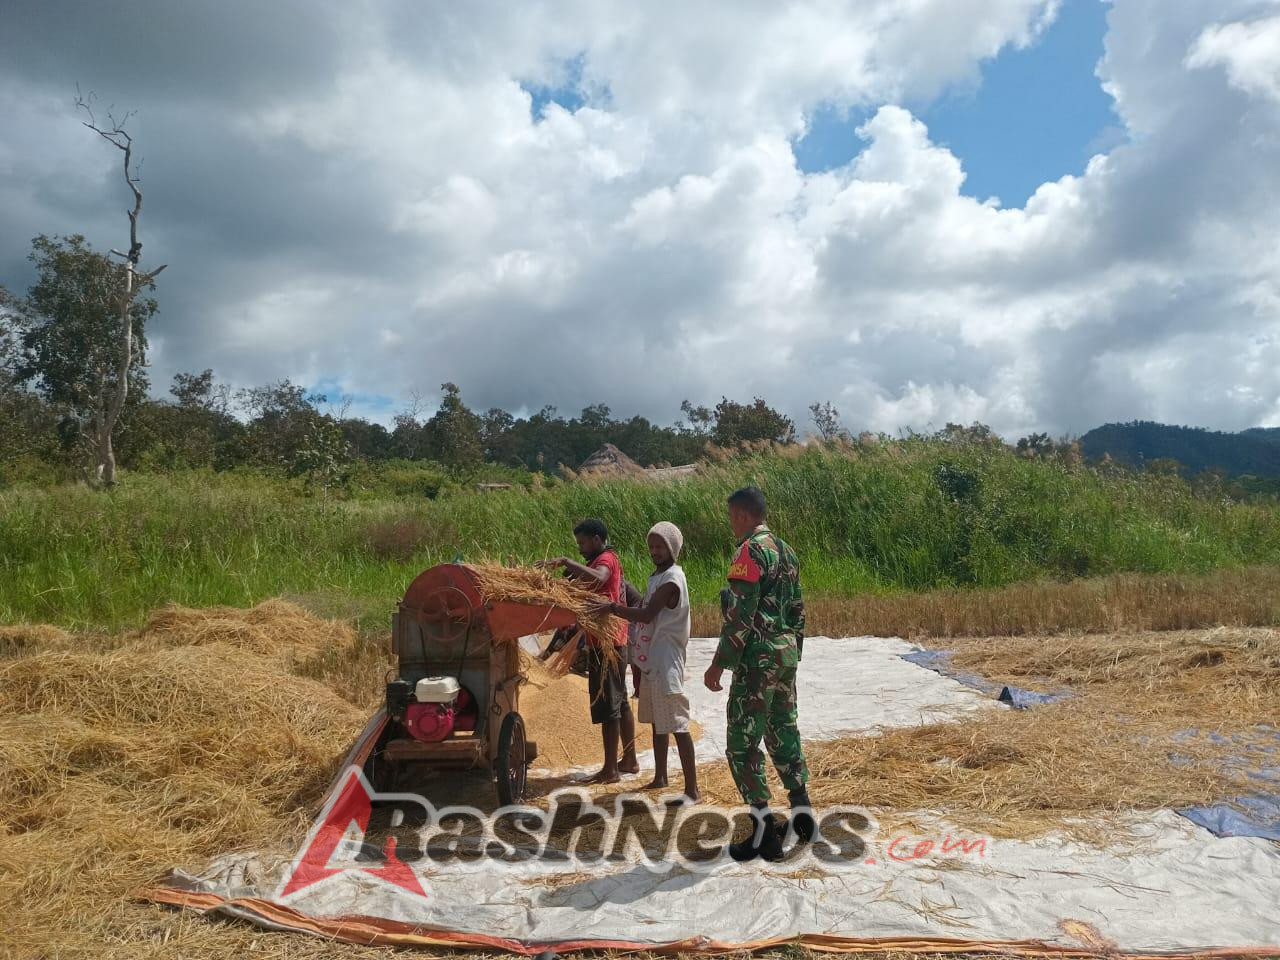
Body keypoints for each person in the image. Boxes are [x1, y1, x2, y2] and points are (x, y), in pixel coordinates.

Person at [702, 486, 813, 861]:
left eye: (732, 517)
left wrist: (721, 662)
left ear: (743, 516)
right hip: (785, 657)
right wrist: (793, 653)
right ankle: (803, 816)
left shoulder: (749, 551)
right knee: (783, 730)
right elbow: (798, 608)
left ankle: (764, 833)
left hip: (758, 661)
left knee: (741, 743)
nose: (731, 524)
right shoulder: (787, 550)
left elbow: (740, 614)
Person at [603, 522, 700, 805]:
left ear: (672, 548)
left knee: (677, 724)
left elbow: (645, 614)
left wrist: (612, 608)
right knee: (659, 721)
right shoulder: (657, 576)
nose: (655, 552)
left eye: (660, 547)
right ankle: (660, 776)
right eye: (652, 547)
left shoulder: (672, 579)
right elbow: (643, 604)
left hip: (666, 657)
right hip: (653, 657)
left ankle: (693, 790)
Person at [539, 518, 639, 783]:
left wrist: (566, 562)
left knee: (609, 706)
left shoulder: (606, 559)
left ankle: (610, 769)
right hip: (607, 641)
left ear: (597, 539)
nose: (580, 548)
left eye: (582, 543)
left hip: (608, 643)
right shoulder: (595, 562)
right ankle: (629, 759)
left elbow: (601, 577)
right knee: (621, 702)